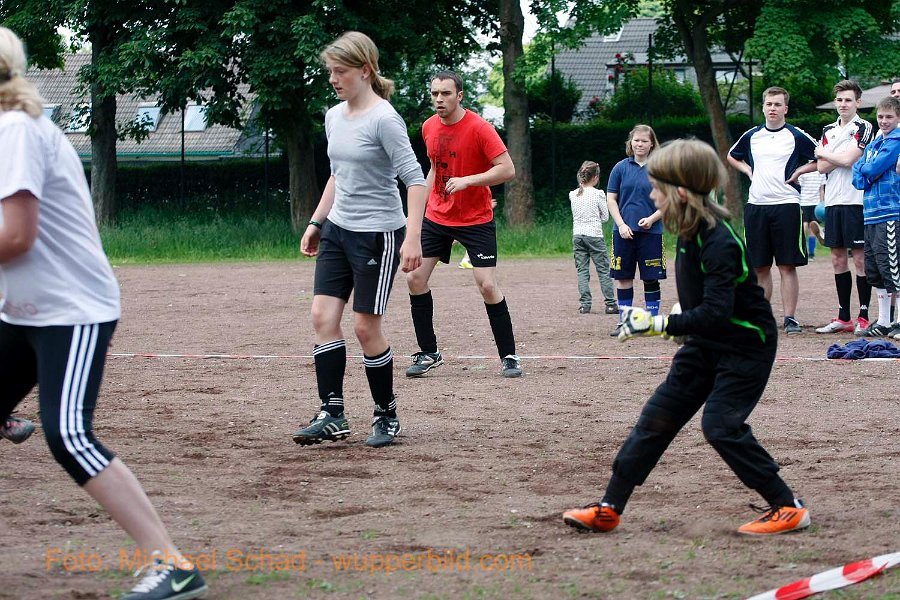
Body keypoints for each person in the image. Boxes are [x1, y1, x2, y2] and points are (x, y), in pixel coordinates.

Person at [0, 27, 207, 600]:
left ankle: (174, 566)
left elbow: (15, 236)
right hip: (21, 310)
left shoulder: (16, 129)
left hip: (70, 310)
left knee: (68, 433)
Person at [563, 139, 809, 536]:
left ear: (679, 192)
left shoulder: (719, 240)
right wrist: (681, 318)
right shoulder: (690, 231)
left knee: (720, 426)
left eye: (656, 188)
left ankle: (788, 507)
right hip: (705, 344)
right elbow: (704, 309)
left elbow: (715, 313)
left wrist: (658, 324)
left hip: (746, 346)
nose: (651, 195)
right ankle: (608, 508)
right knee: (656, 419)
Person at [292, 31, 427, 448]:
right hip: (338, 229)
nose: (333, 79)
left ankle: (386, 415)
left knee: (365, 327)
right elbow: (338, 175)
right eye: (330, 72)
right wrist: (317, 222)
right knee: (322, 317)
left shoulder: (384, 119)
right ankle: (332, 414)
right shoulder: (334, 116)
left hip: (378, 234)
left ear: (365, 70)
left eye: (340, 71)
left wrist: (412, 237)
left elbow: (415, 180)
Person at [405, 70, 520, 378]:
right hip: (437, 216)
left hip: (475, 219)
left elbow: (507, 169)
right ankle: (429, 352)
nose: (439, 99)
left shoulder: (480, 128)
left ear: (459, 96)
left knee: (487, 285)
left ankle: (509, 356)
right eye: (434, 93)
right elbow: (433, 169)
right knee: (414, 278)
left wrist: (469, 180)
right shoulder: (429, 126)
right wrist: (418, 211)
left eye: (445, 93)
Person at [728, 86, 818, 334]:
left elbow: (821, 158)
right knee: (760, 267)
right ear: (763, 107)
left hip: (787, 205)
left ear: (785, 108)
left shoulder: (796, 135)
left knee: (787, 265)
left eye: (777, 104)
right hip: (756, 206)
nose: (773, 108)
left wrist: (800, 171)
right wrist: (747, 170)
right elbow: (731, 155)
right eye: (769, 104)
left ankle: (790, 318)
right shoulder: (752, 135)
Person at [813, 81, 875, 335]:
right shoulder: (828, 129)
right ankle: (843, 317)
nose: (843, 104)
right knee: (838, 258)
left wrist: (825, 153)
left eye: (848, 100)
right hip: (833, 201)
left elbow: (850, 159)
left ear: (858, 102)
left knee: (860, 259)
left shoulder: (864, 127)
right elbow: (821, 167)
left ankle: (864, 316)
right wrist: (834, 157)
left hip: (856, 201)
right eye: (839, 100)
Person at [607, 124, 666, 337]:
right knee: (623, 277)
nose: (639, 144)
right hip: (623, 233)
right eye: (636, 140)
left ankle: (651, 322)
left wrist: (651, 219)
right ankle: (625, 321)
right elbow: (611, 199)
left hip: (652, 233)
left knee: (650, 278)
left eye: (644, 141)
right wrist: (621, 225)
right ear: (630, 143)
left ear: (652, 144)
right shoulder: (620, 168)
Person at [852, 96, 900, 339]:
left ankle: (899, 321)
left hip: (889, 212)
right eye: (880, 116)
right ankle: (883, 321)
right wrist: (866, 170)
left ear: (898, 118)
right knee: (874, 270)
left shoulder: (896, 142)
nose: (884, 121)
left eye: (889, 117)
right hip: (870, 214)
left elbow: (872, 168)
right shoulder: (872, 144)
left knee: (893, 268)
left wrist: (866, 169)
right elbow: (857, 178)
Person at [568, 161, 617, 314]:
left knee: (582, 271)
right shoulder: (598, 194)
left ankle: (585, 304)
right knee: (603, 270)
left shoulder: (573, 194)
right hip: (594, 235)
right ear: (595, 177)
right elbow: (605, 217)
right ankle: (610, 304)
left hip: (578, 235)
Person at [798, 171, 825, 258]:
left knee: (809, 227)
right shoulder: (820, 171)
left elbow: (821, 190)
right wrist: (822, 202)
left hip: (807, 203)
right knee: (809, 227)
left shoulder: (803, 171)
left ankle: (806, 252)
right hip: (810, 203)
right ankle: (809, 253)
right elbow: (821, 190)